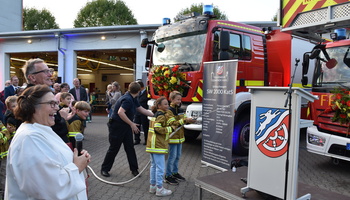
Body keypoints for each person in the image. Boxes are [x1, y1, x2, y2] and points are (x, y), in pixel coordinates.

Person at [5, 85, 91, 200]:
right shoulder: (29, 139)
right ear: (33, 107)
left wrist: (77, 158)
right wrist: (77, 166)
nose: (57, 108)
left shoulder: (41, 130)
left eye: (56, 103)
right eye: (52, 104)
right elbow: (50, 189)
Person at [101, 81, 153, 177]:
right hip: (117, 127)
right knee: (114, 148)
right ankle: (104, 169)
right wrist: (132, 124)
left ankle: (134, 169)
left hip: (125, 126)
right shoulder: (127, 99)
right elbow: (121, 112)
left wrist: (154, 115)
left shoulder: (133, 98)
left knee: (130, 148)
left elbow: (140, 109)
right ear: (138, 90)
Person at [165, 91, 196, 185]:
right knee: (172, 157)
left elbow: (184, 121)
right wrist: (185, 120)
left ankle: (174, 172)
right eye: (178, 99)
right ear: (172, 99)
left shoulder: (181, 109)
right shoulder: (169, 111)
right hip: (173, 138)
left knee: (177, 156)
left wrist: (191, 120)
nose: (179, 101)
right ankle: (168, 175)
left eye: (180, 99)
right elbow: (173, 123)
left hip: (180, 138)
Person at [146, 96, 173, 196]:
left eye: (168, 103)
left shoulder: (155, 114)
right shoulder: (161, 115)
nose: (168, 105)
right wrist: (170, 129)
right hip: (158, 145)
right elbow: (158, 129)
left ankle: (152, 187)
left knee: (153, 166)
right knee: (160, 168)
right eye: (165, 104)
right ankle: (160, 189)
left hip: (152, 144)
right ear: (159, 105)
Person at [133, 80, 149, 145]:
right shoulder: (138, 93)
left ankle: (146, 140)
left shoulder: (147, 93)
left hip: (144, 112)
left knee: (145, 127)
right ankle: (137, 139)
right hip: (137, 112)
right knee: (136, 126)